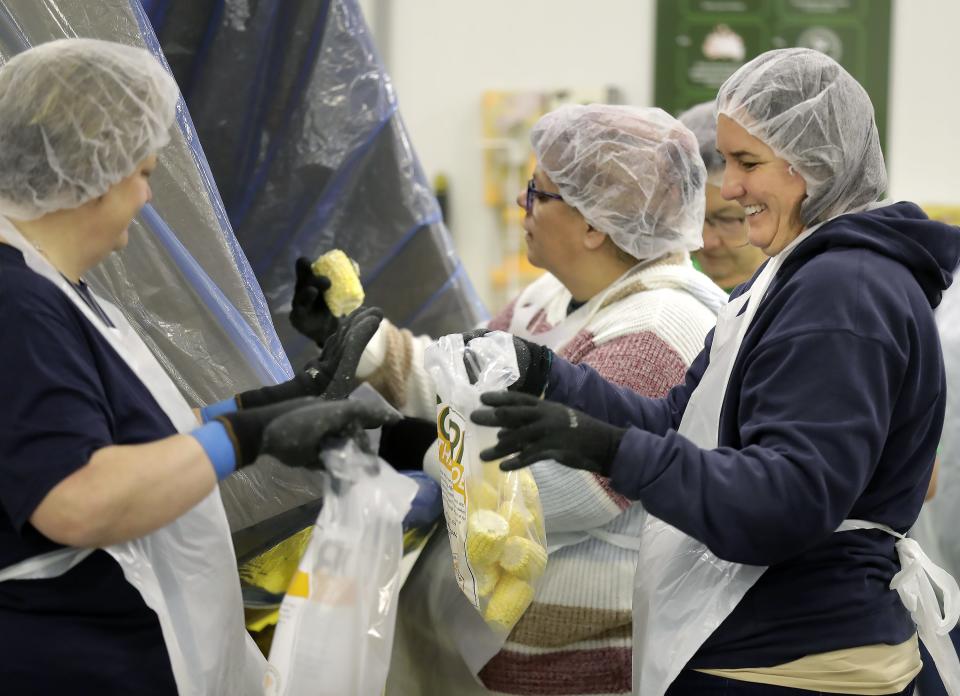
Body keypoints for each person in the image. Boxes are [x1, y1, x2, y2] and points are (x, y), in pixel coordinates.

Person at [471, 48, 960, 695]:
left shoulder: (843, 293)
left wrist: (609, 449)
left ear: (815, 164)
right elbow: (685, 419)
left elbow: (786, 501)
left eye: (746, 163)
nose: (726, 188)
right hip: (766, 646)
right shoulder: (794, 276)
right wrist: (553, 379)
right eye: (726, 162)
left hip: (796, 662)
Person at [0, 39, 395, 695]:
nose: (149, 198)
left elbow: (139, 437)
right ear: (91, 173)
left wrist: (276, 402)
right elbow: (76, 498)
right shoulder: (17, 305)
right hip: (72, 660)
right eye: (144, 174)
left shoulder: (57, 290)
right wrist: (250, 440)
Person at [294, 105, 727, 695]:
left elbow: (562, 492)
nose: (521, 208)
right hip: (504, 640)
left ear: (594, 223)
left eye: (538, 194)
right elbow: (458, 377)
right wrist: (355, 340)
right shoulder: (550, 298)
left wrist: (422, 446)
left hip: (583, 659)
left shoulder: (660, 324)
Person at [679, 100, 766, 292]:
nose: (706, 242)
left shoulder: (800, 293)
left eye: (727, 220)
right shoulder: (677, 288)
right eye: (695, 220)